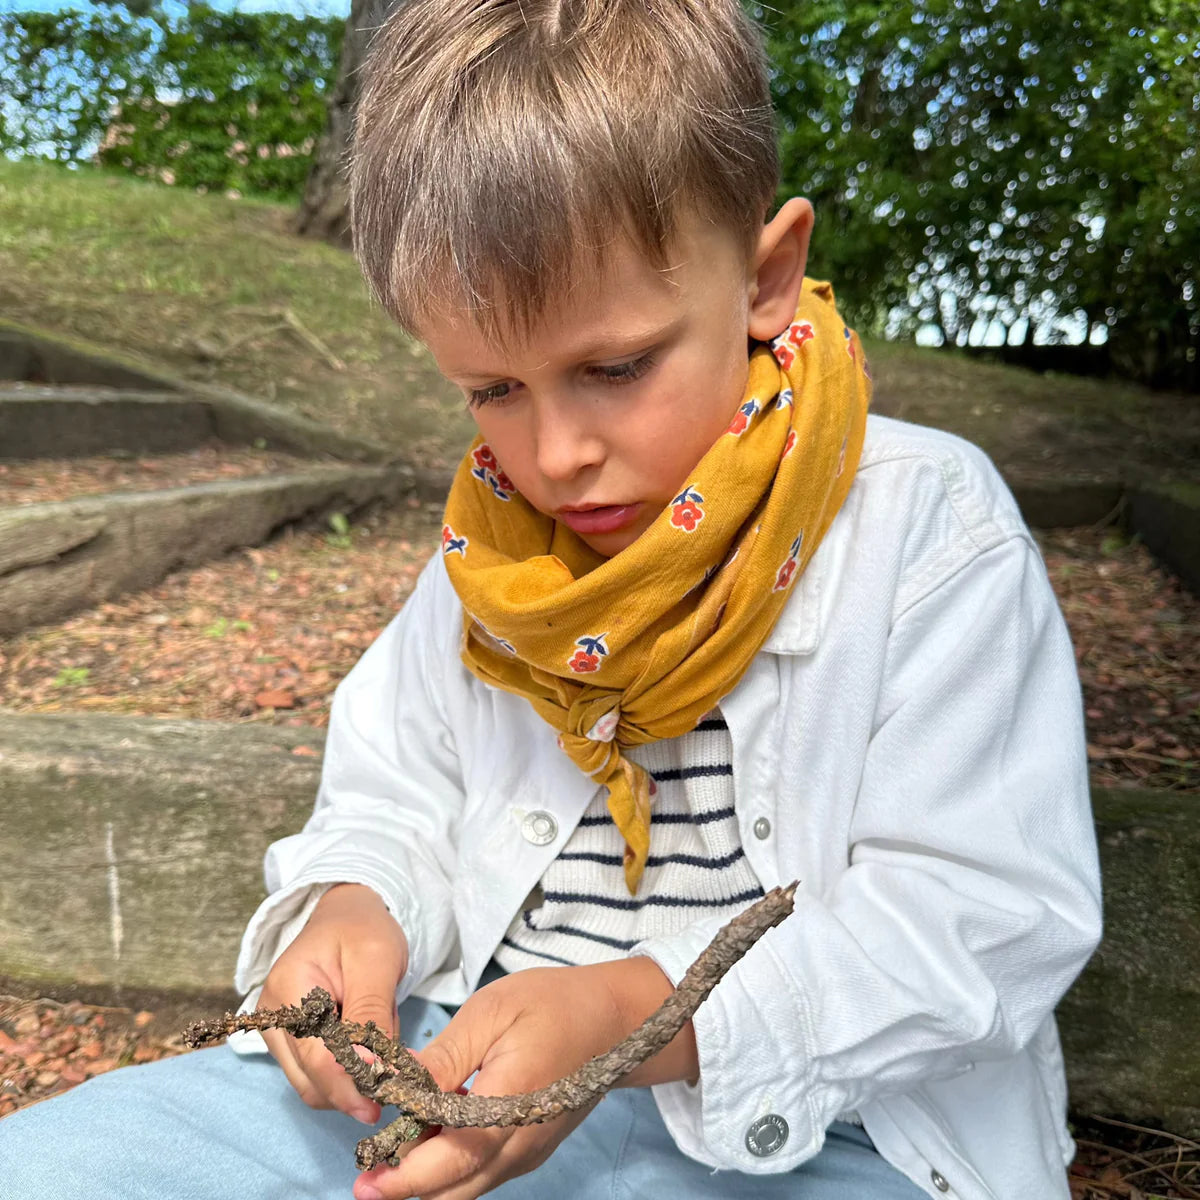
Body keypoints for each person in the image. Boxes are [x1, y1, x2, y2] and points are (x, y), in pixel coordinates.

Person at [0, 1, 1102, 1197]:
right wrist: (357, 907)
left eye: (614, 369)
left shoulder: (926, 527)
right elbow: (394, 793)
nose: (558, 452)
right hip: (451, 1066)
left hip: (826, 1133)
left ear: (766, 277)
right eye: (493, 389)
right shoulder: (493, 556)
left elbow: (983, 918)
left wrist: (639, 1014)